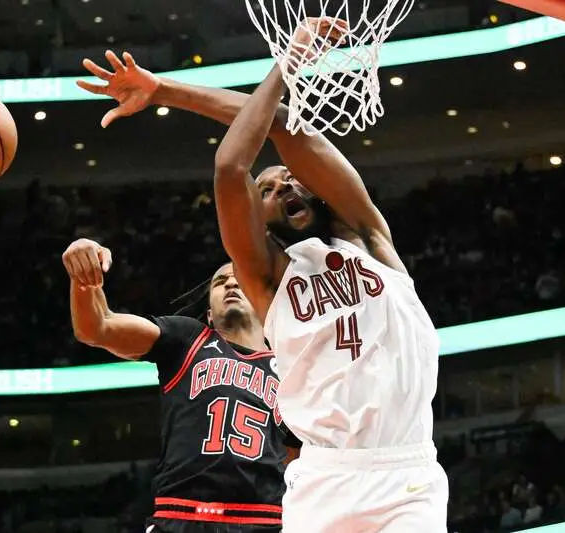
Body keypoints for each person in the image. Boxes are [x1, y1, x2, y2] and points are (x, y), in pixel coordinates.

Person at [75, 17, 447, 533]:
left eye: (291, 178)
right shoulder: (265, 279)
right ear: (260, 218)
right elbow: (231, 165)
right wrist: (287, 59)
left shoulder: (368, 236)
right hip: (323, 480)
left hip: (406, 473)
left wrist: (163, 89)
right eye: (268, 188)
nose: (284, 182)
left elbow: (282, 126)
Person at [62, 237, 299, 532]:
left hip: (262, 520)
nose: (230, 284)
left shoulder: (293, 368)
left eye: (239, 279)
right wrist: (85, 282)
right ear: (209, 314)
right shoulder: (189, 338)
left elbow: (298, 459)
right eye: (220, 282)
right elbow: (96, 327)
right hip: (182, 514)